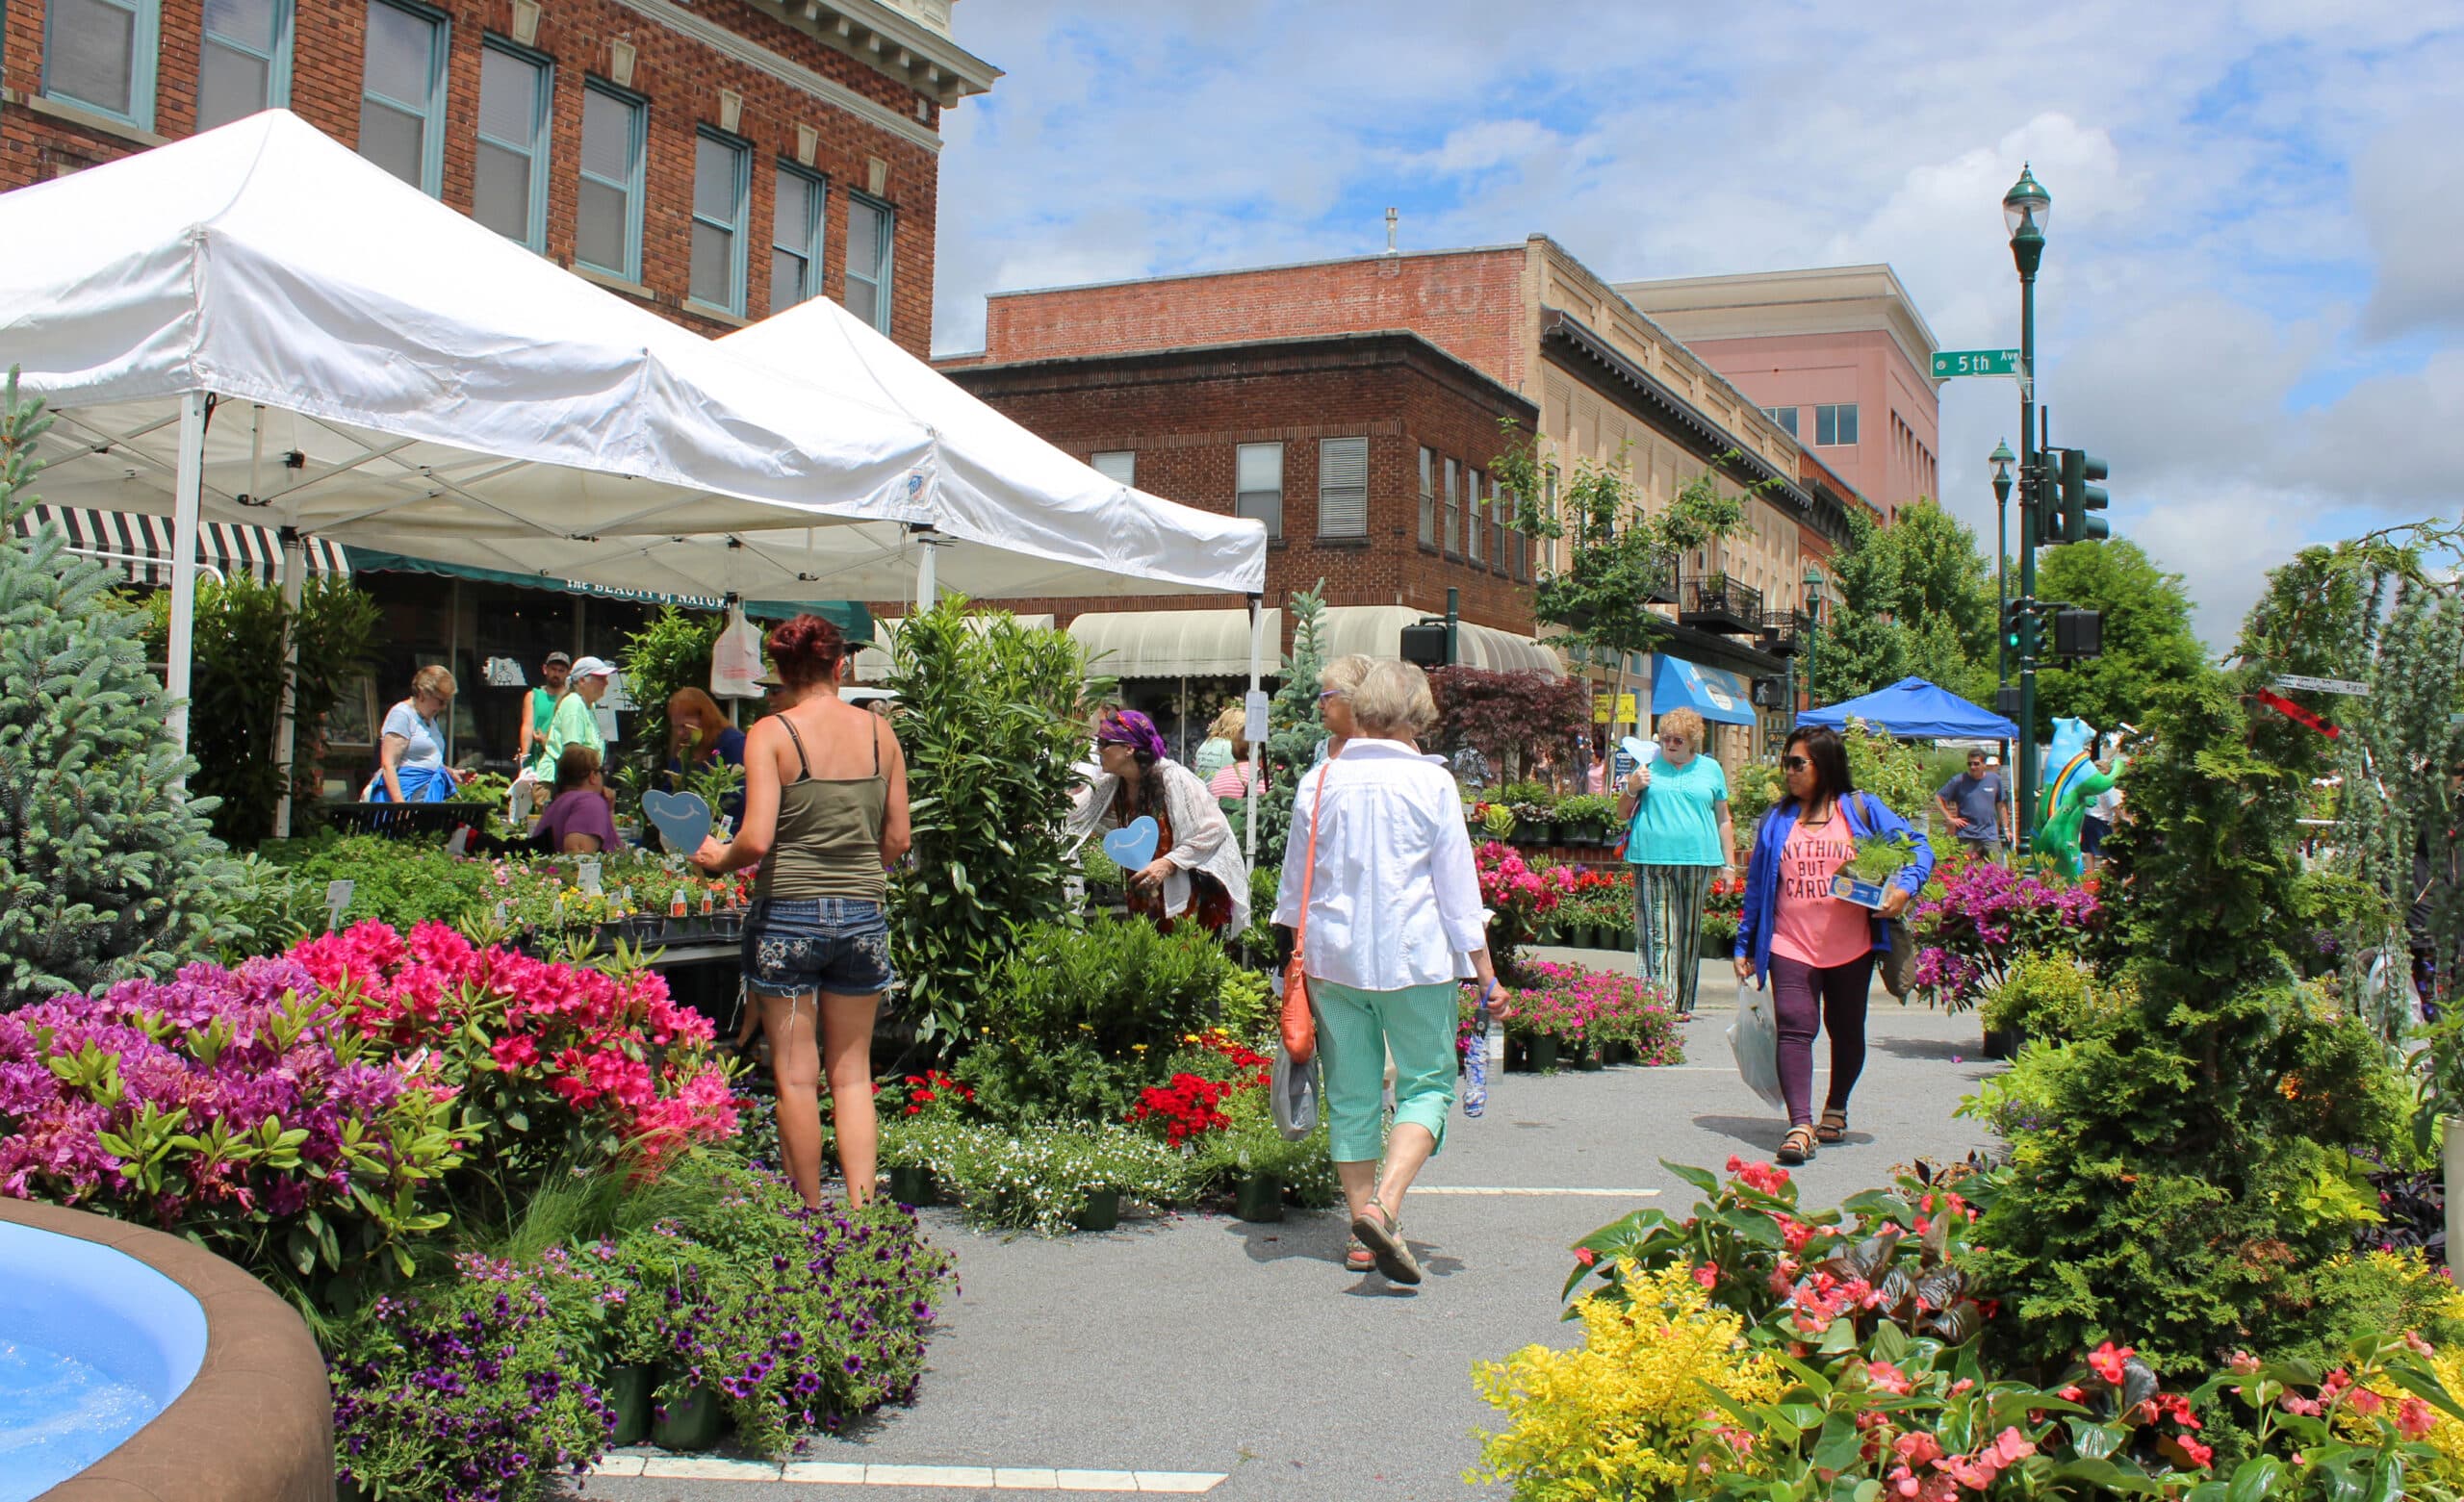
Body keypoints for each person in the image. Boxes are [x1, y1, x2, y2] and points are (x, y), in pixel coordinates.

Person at [1273, 658, 1494, 1286]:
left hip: (1332, 959)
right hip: (1414, 958)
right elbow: (1458, 891)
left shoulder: (1320, 780)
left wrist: (1294, 964)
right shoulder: (1432, 784)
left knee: (1352, 1094)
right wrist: (1485, 971)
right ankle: (1383, 1206)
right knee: (1427, 1083)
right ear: (1414, 714)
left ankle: (1362, 1235)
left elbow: (1294, 891)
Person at [690, 615, 910, 1210]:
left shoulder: (771, 732)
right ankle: (864, 1218)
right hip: (863, 913)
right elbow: (897, 840)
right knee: (853, 1074)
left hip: (787, 913)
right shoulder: (879, 735)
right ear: (842, 667)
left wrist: (716, 858)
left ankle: (809, 1216)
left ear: (781, 673)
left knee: (793, 1076)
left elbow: (756, 840)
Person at [1734, 726, 1935, 1165]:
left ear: (1824, 765)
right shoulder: (1776, 819)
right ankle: (1800, 1125)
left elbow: (1920, 848)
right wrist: (1744, 944)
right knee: (1794, 1027)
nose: (1787, 771)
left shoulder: (1861, 810)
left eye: (1796, 763)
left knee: (1846, 1032)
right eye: (1785, 762)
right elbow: (1757, 888)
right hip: (1790, 944)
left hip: (1852, 947)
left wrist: (1903, 887)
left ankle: (1836, 1106)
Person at [1066, 709, 1250, 934]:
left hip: (1187, 893)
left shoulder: (1174, 778)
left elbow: (1214, 829)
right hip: (1144, 892)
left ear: (1128, 749)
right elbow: (1074, 813)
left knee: (1183, 956)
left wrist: (1168, 863)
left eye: (1105, 743)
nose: (1098, 749)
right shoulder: (1112, 784)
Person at [1617, 708, 1736, 1016]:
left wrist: (1729, 865)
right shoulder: (1648, 766)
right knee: (1659, 930)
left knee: (1687, 932)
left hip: (1698, 860)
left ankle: (1681, 1003)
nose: (1670, 744)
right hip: (1651, 857)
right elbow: (1621, 812)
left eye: (1677, 740)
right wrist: (1632, 787)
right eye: (1666, 738)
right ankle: (1658, 1004)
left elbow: (1723, 818)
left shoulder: (1711, 769)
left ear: (1693, 741)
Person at [367, 665, 463, 802]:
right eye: (441, 701)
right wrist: (401, 807)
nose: (443, 707)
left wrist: (451, 772)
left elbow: (424, 760)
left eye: (447, 702)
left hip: (426, 798)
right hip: (405, 797)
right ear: (423, 694)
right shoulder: (401, 714)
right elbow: (389, 764)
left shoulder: (429, 719)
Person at [541, 656, 617, 782]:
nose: (606, 683)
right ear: (582, 681)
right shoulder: (574, 703)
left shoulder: (590, 706)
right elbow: (573, 755)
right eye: (600, 678)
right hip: (561, 785)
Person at [534, 745, 620, 853]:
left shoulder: (561, 802)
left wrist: (609, 810)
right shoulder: (590, 803)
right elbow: (576, 853)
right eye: (601, 771)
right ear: (592, 776)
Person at [1935, 749, 2013, 863]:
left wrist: (2006, 829)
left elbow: (2001, 806)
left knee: (1997, 871)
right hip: (1966, 835)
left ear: (1984, 764)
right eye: (1969, 764)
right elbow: (1938, 797)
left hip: (1989, 835)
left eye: (1976, 763)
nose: (1972, 767)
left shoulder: (1994, 780)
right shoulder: (1959, 780)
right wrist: (1950, 818)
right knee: (1966, 871)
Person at [517, 650, 571, 779]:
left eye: (561, 670)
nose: (556, 674)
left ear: (568, 673)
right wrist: (524, 755)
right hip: (536, 760)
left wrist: (546, 741)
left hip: (561, 761)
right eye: (553, 669)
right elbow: (527, 725)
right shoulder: (533, 695)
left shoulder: (571, 698)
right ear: (545, 669)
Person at [1194, 703, 1244, 783]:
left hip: (1202, 792)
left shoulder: (1205, 744)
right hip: (1220, 792)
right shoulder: (1231, 747)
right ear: (1238, 726)